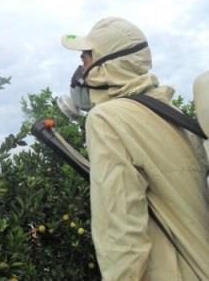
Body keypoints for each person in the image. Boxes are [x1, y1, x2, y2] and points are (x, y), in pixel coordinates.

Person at [60, 17, 209, 280]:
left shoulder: (107, 119)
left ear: (106, 65)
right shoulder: (174, 116)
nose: (81, 68)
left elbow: (122, 234)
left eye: (86, 57)